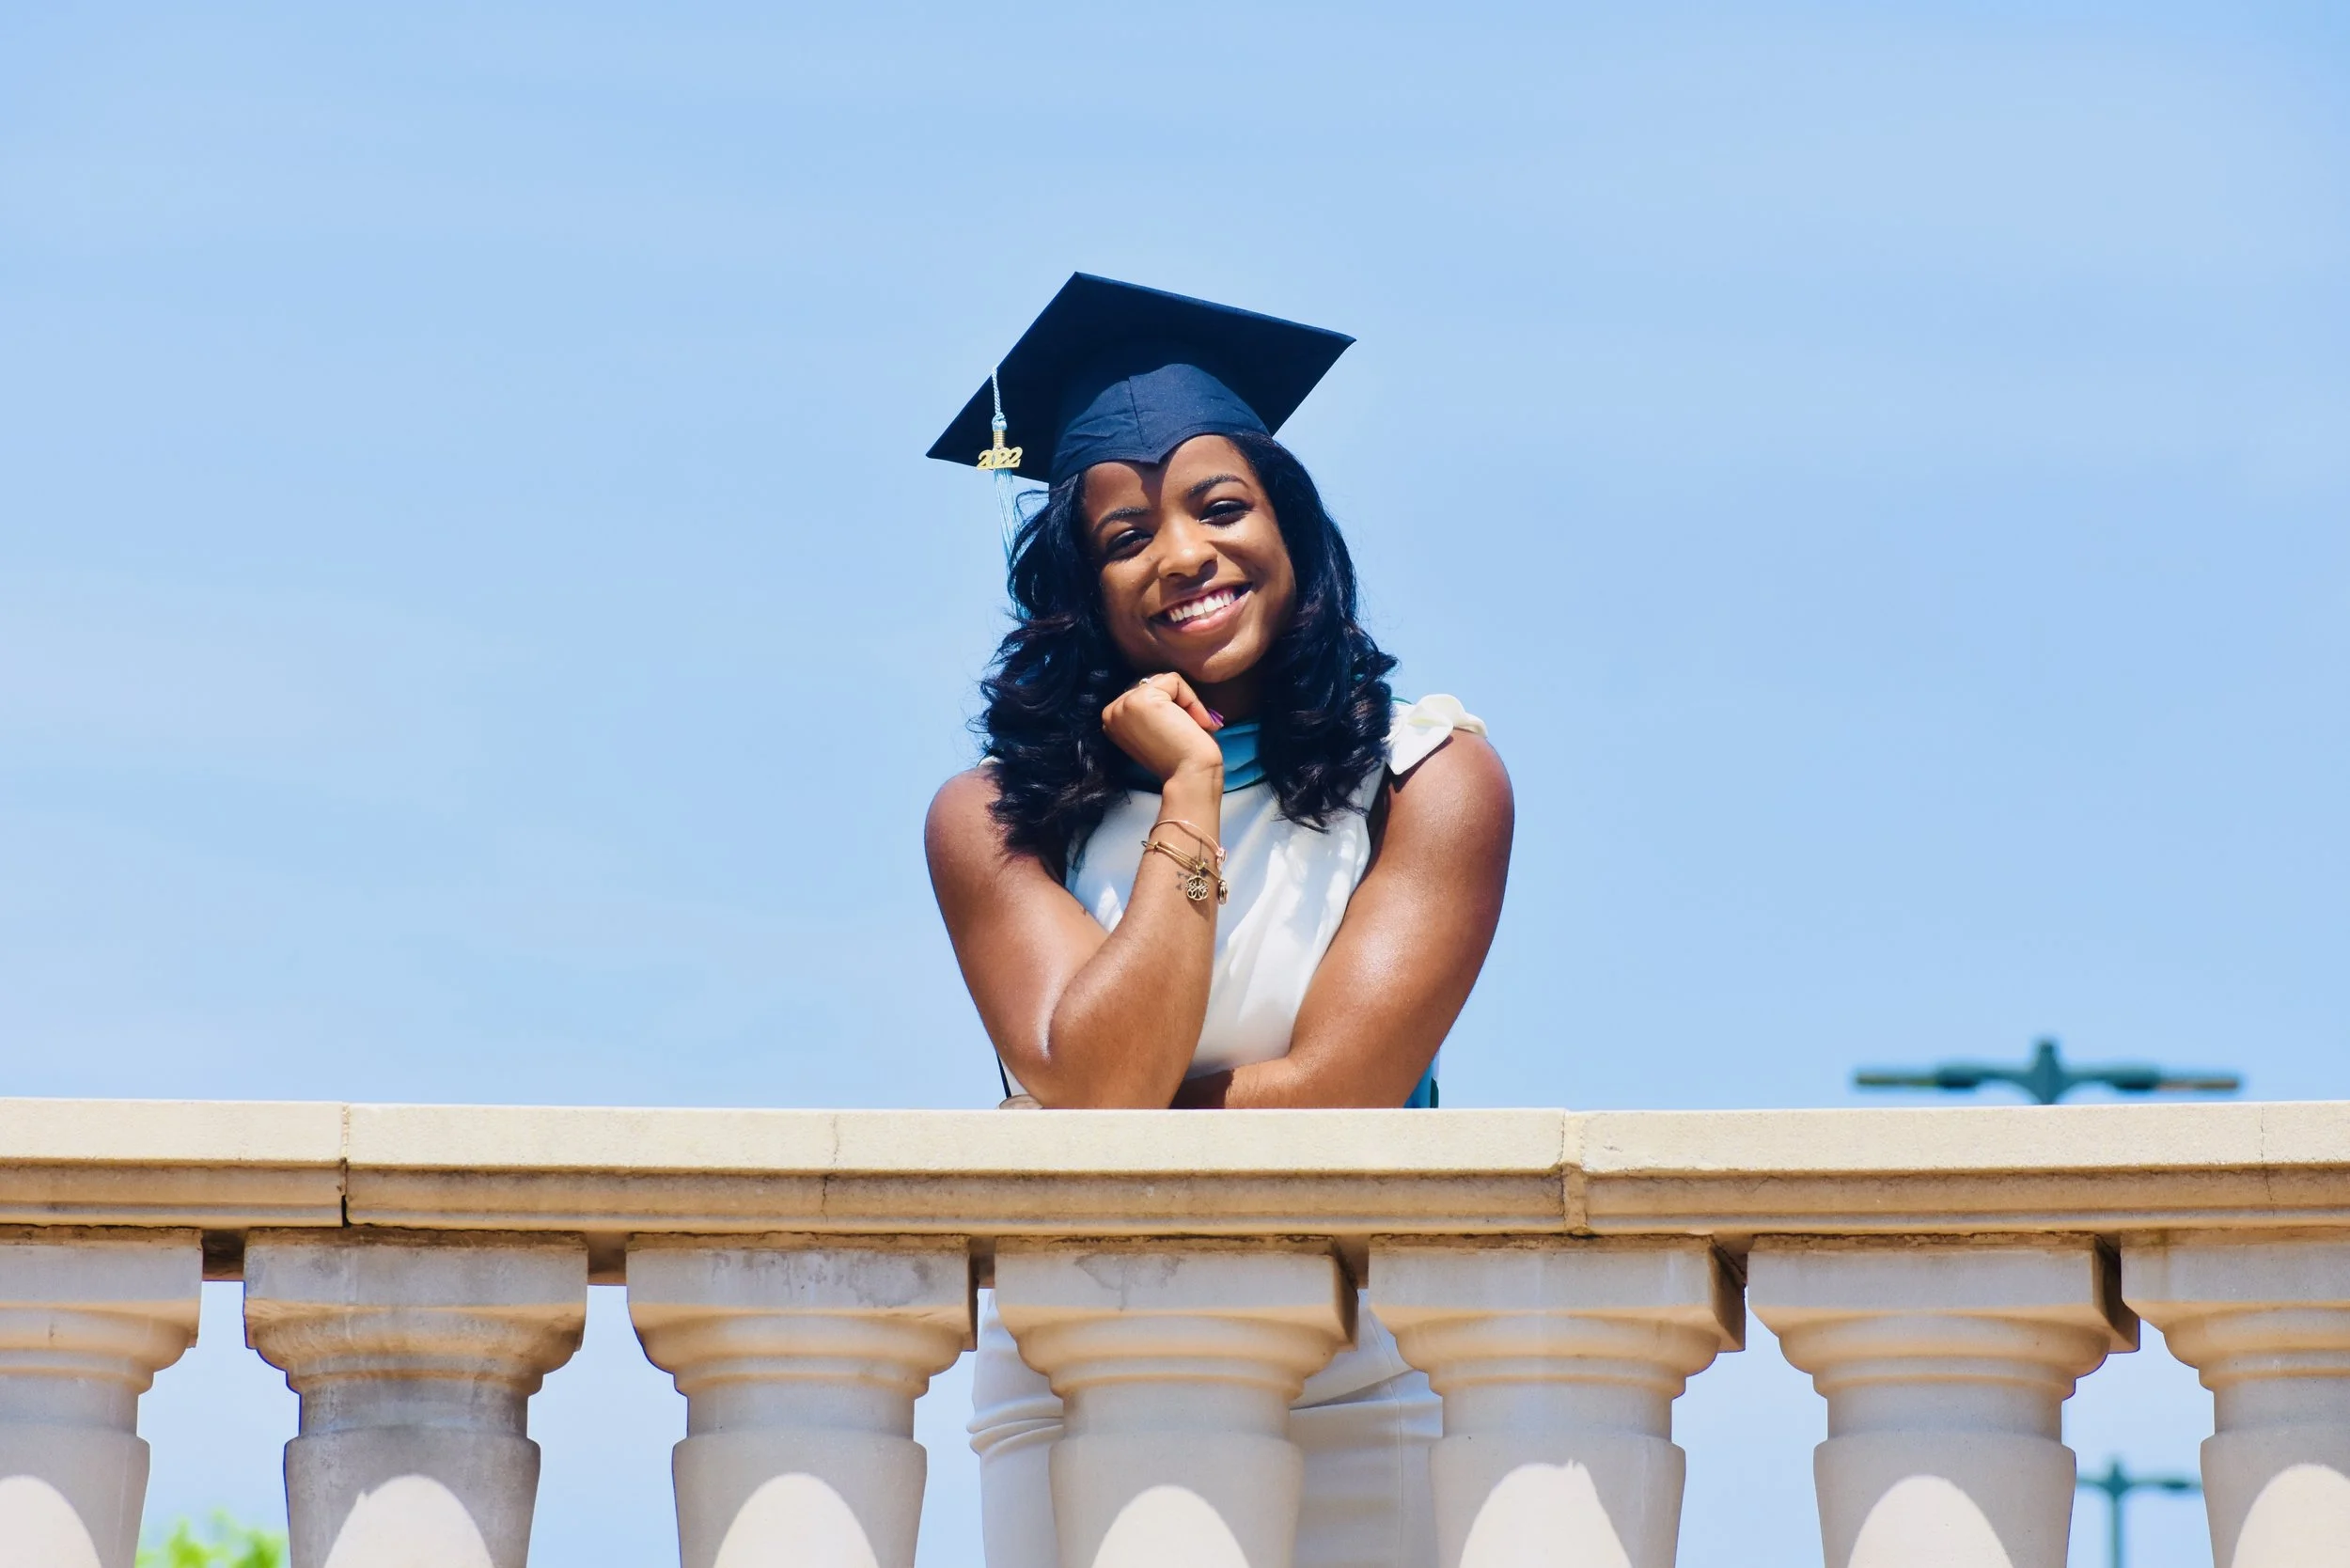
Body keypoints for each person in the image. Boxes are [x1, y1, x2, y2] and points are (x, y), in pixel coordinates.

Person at [923, 274, 1512, 1568]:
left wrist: (1092, 1121)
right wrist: (1189, 792)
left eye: (1222, 506)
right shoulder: (995, 819)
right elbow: (1107, 1082)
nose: (1183, 554)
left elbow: (1343, 1098)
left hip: (1358, 1351)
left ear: (1292, 529)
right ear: (1082, 590)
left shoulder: (1427, 777)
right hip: (1073, 1357)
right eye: (1125, 535)